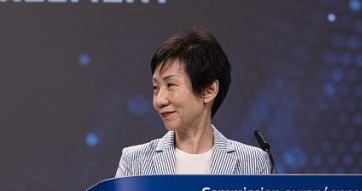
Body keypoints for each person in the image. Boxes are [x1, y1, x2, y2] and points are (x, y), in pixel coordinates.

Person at [115, 29, 271, 176]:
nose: (159, 100)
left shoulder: (254, 163)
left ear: (209, 90)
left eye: (171, 85)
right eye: (156, 87)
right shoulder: (135, 162)